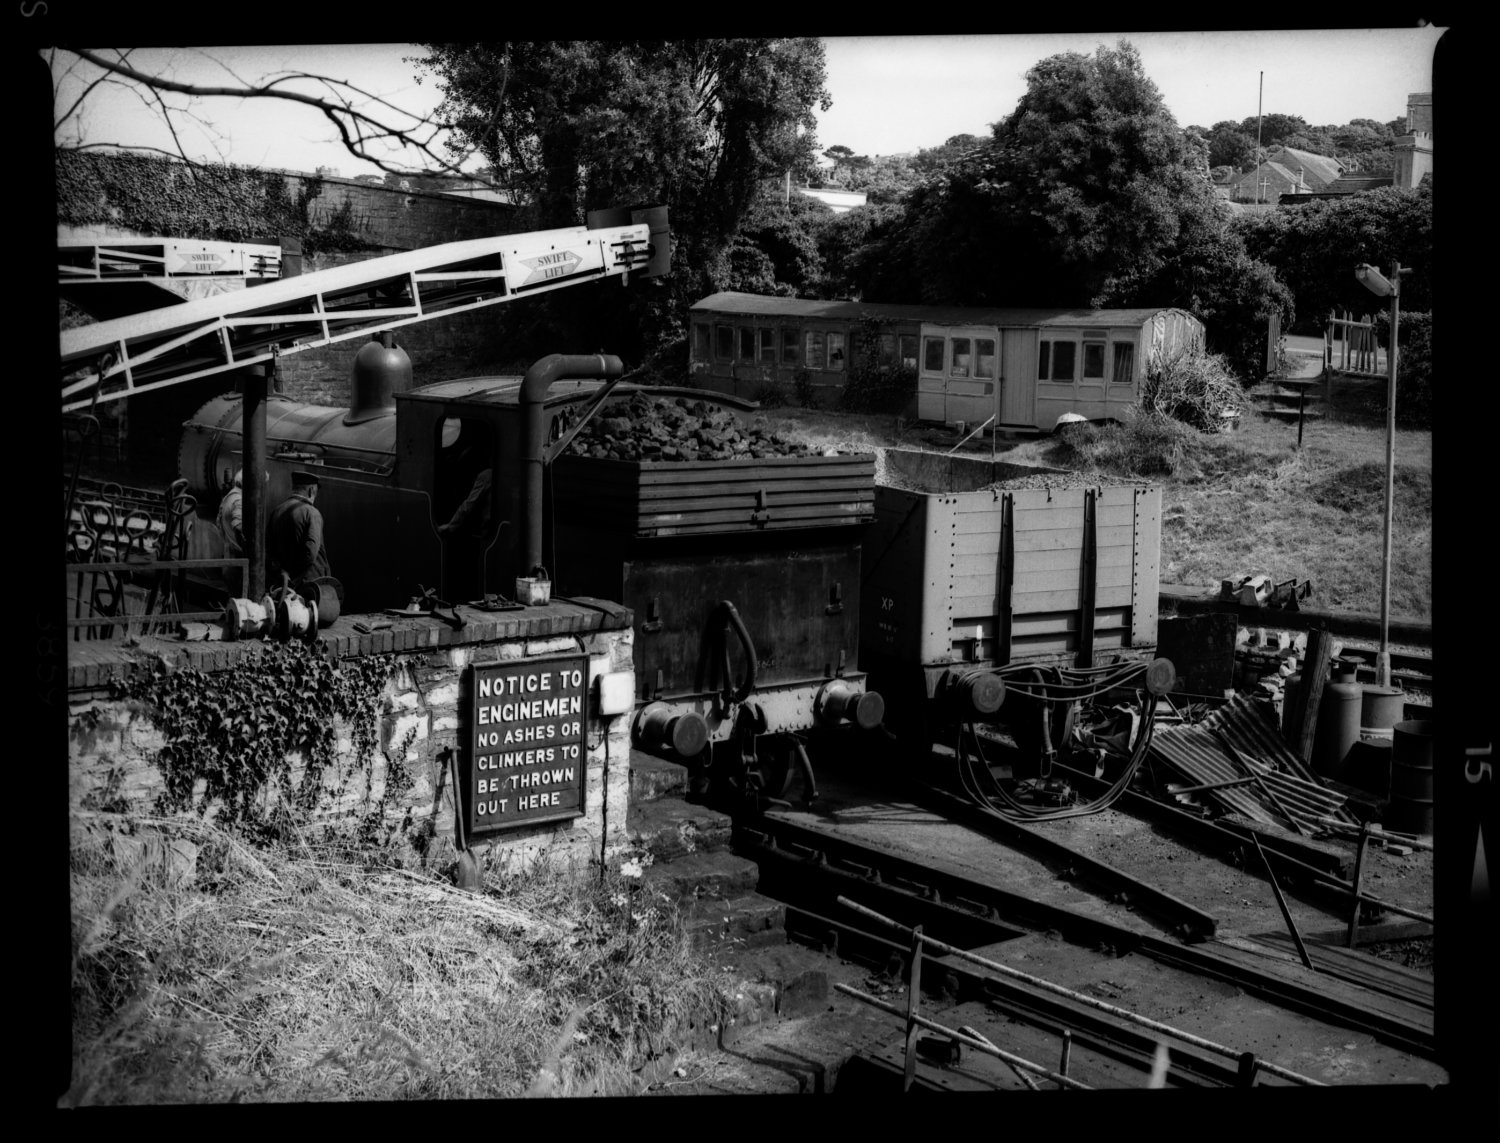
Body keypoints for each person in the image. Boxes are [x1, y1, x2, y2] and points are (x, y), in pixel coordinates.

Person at [267, 471, 332, 589]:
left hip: (284, 582)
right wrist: (294, 574)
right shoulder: (311, 513)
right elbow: (310, 553)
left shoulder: (276, 511)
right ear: (311, 490)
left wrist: (284, 572)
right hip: (310, 583)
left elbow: (269, 549)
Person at [217, 469, 247, 596]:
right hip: (238, 563)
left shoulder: (230, 496)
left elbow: (218, 523)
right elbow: (239, 527)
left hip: (229, 557)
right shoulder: (239, 500)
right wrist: (248, 552)